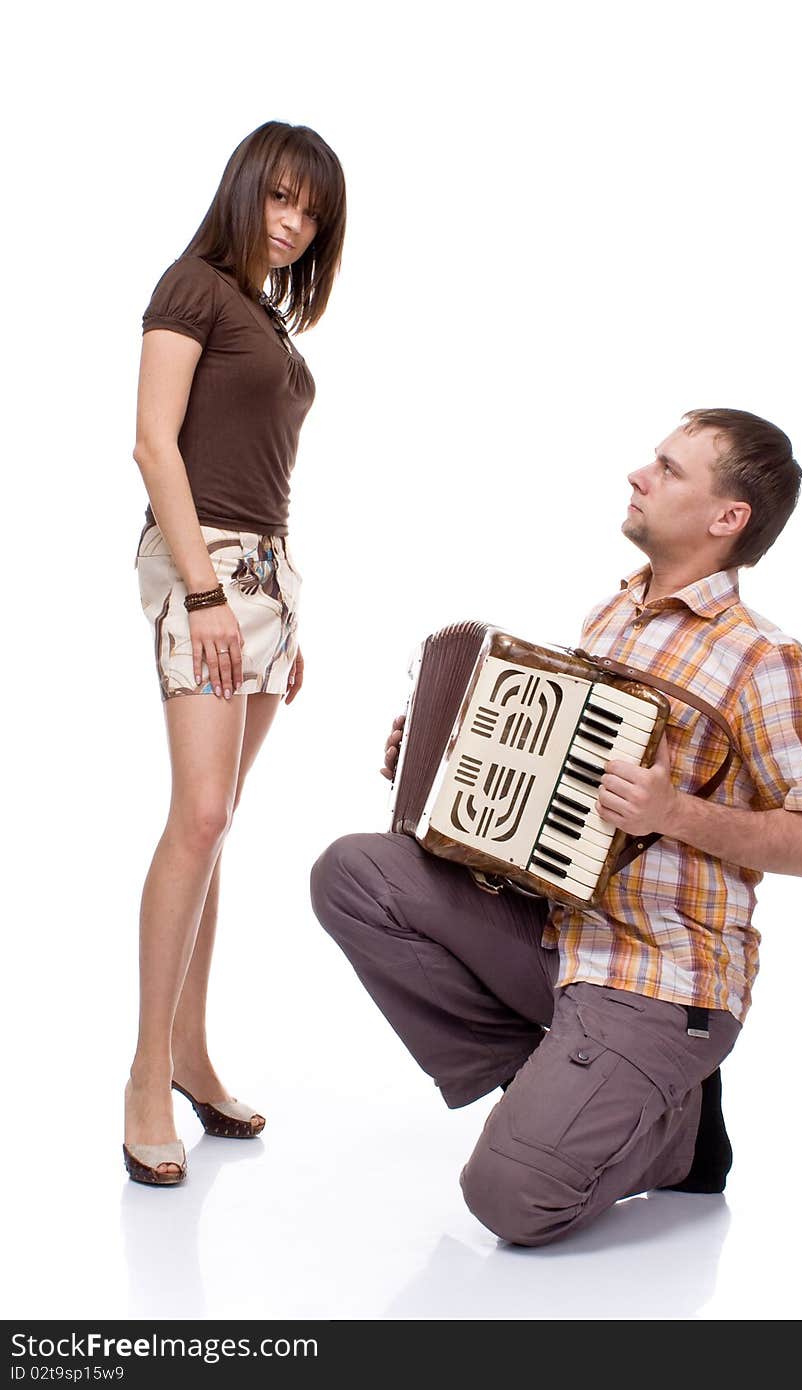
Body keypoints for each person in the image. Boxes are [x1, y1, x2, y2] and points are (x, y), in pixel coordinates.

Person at [310, 408, 802, 1245]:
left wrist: (676, 812)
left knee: (510, 1200)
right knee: (356, 874)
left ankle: (679, 1140)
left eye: (669, 470)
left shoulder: (763, 659)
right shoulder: (614, 614)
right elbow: (554, 792)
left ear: (726, 517)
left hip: (662, 974)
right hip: (556, 934)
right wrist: (441, 753)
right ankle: (559, 1084)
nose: (640, 476)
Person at [125, 121, 346, 1186]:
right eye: (281, 198)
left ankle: (194, 1057)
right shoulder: (194, 286)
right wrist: (209, 594)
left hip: (262, 578)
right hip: (202, 565)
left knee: (217, 826)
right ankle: (142, 1075)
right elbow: (152, 442)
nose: (293, 223)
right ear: (245, 189)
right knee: (199, 815)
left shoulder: (266, 315)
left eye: (311, 212)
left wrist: (279, 612)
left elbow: (266, 475)